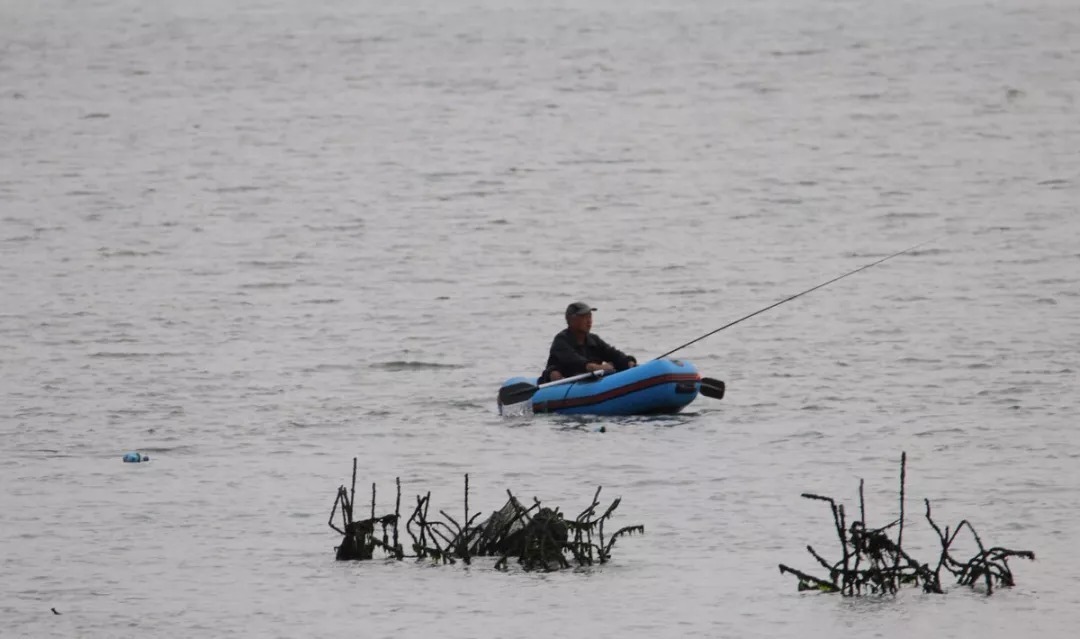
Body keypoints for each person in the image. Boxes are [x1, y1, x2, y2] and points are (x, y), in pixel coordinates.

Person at [540, 302, 637, 383]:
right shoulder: (561, 341)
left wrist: (628, 362)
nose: (589, 321)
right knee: (554, 374)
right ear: (571, 320)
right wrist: (599, 367)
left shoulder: (594, 340)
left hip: (588, 382)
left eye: (590, 316)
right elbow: (577, 362)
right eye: (584, 317)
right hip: (564, 382)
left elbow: (613, 354)